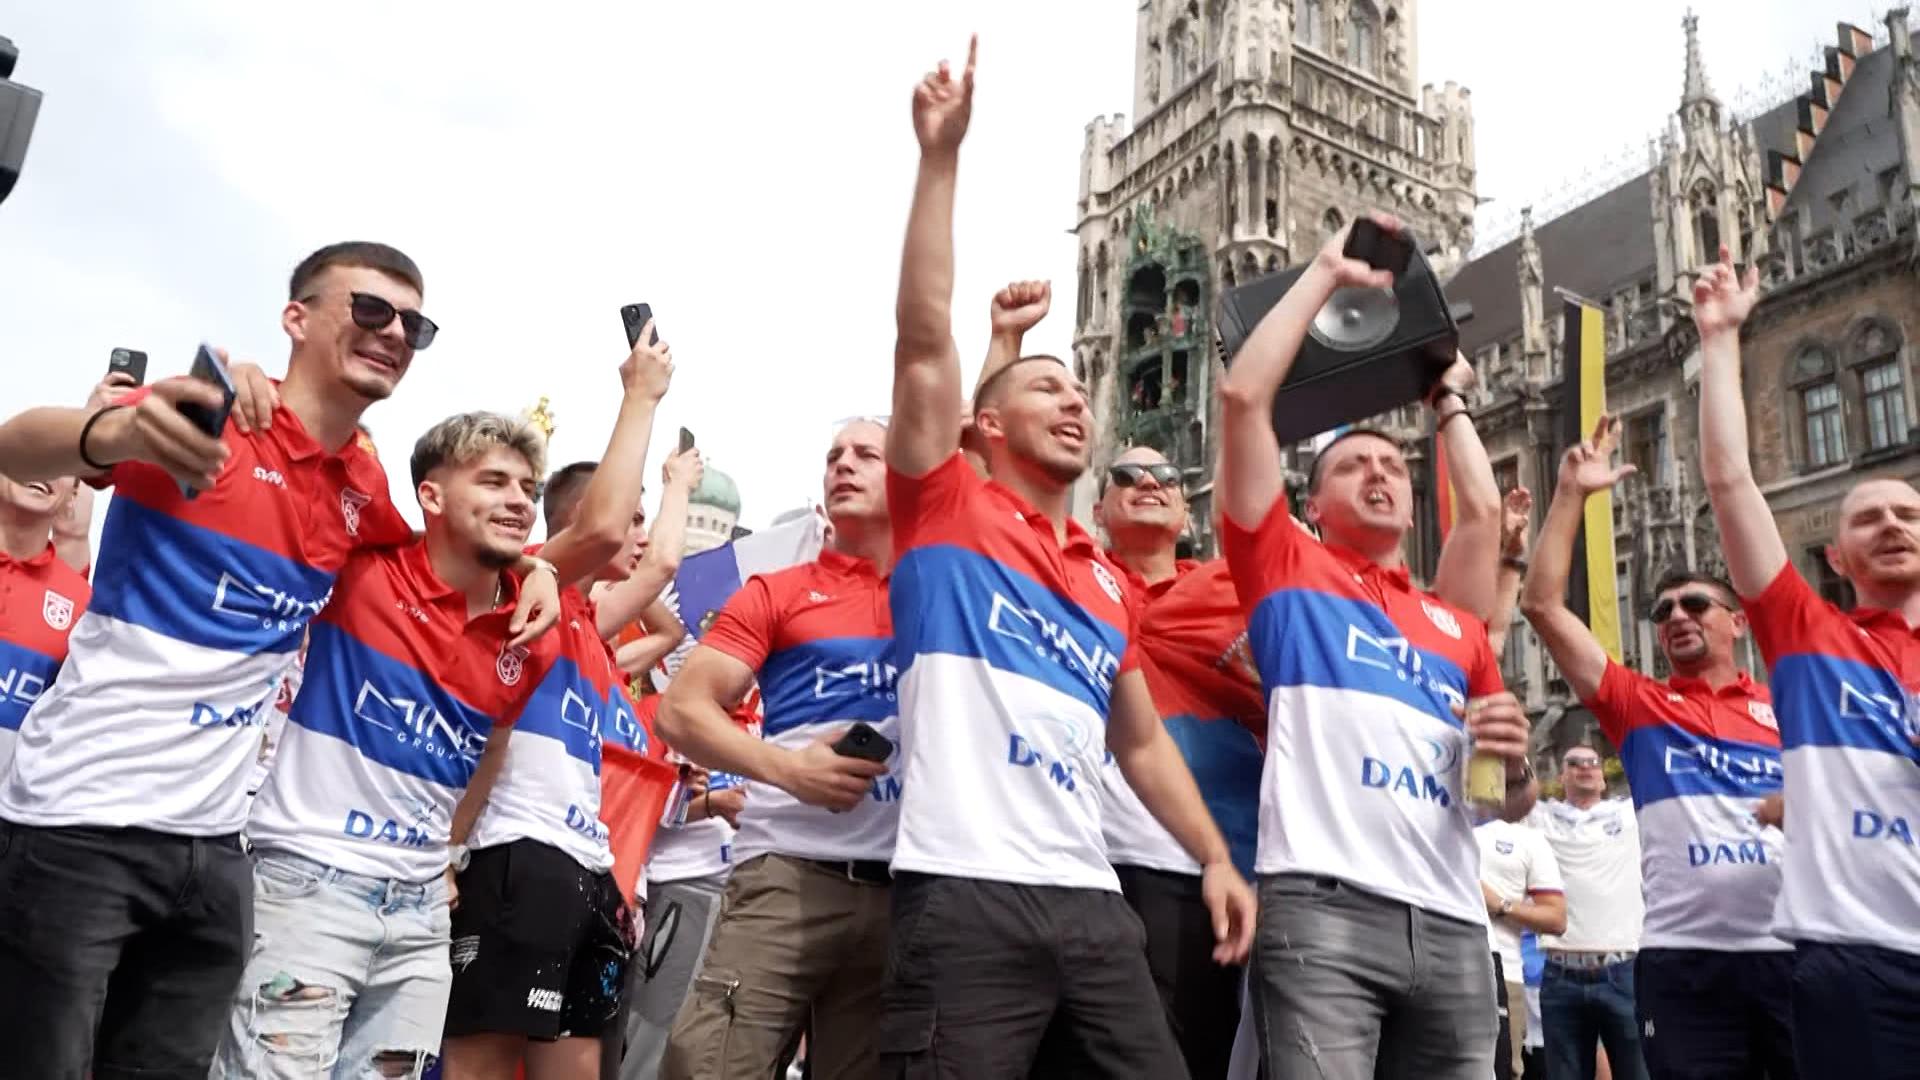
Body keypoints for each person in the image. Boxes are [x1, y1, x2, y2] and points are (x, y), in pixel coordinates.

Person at [0, 243, 550, 1080]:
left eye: (413, 323)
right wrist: (107, 429)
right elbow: (19, 448)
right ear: (297, 318)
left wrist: (530, 564)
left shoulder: (360, 478)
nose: (394, 332)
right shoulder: (208, 414)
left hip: (216, 857)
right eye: (370, 310)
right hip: (79, 828)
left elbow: (442, 553)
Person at [880, 37, 1254, 1077]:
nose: (1078, 400)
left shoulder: (1099, 575)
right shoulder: (944, 507)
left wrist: (1216, 857)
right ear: (986, 429)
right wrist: (941, 158)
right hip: (962, 890)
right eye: (1048, 390)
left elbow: (1140, 746)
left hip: (1093, 903)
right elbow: (921, 340)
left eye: (1079, 393)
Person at [1213, 209, 1537, 1080]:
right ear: (1312, 505)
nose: (1384, 473)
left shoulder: (1451, 626)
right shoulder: (1285, 567)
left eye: (1394, 464)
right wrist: (1322, 275)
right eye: (1355, 466)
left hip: (1452, 921)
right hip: (1323, 911)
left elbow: (1488, 799)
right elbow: (1244, 400)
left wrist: (1447, 400)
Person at [207, 410, 560, 1077]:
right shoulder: (361, 569)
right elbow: (311, 462)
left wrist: (451, 852)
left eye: (527, 488)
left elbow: (490, 750)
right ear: (430, 495)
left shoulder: (527, 628)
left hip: (422, 917)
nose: (518, 499)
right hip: (307, 887)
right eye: (493, 481)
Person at [1692, 244, 1920, 1076]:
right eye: (1871, 519)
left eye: (1907, 512)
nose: (1893, 524)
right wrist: (1719, 338)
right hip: (1856, 959)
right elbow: (1730, 483)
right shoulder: (1811, 637)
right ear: (1839, 553)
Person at [440, 325, 690, 1078]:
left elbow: (662, 572)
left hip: (592, 872)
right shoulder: (514, 587)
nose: (639, 536)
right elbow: (609, 527)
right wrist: (640, 396)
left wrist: (680, 484)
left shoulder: (579, 617)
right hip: (515, 856)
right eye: (634, 517)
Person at [1521, 414, 1790, 1080]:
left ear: (1737, 620)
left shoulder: (1790, 708)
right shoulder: (1638, 703)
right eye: (1662, 610)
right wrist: (1570, 495)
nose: (1674, 617)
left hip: (1793, 952)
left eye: (1694, 604)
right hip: (1680, 965)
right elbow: (1542, 606)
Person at [653, 419, 898, 1080]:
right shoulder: (778, 590)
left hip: (907, 888)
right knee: (707, 1067)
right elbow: (682, 709)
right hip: (785, 875)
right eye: (833, 456)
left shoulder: (940, 597)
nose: (843, 464)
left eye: (866, 455)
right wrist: (790, 771)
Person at [1090, 445, 1261, 1080]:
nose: (1147, 483)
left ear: (1188, 513)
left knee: (1201, 1056)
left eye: (1165, 476)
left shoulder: (1235, 587)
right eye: (1126, 477)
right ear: (1100, 509)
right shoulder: (1075, 582)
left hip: (1215, 866)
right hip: (1092, 862)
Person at [1521, 743, 1646, 1080]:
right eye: (1574, 763)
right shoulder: (1542, 818)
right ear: (1562, 776)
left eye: (1593, 762)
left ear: (1604, 778)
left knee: (1638, 1073)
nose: (1585, 768)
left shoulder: (1630, 815)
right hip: (1560, 973)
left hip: (1623, 971)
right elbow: (1514, 783)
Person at [0, 471, 90, 778]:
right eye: (31, 456)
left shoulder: (83, 604)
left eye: (61, 464)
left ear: (72, 497)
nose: (42, 468)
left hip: (14, 814)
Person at [1478, 813, 1567, 1080]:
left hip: (1505, 973)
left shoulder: (1527, 838)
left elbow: (1556, 918)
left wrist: (1500, 904)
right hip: (1425, 962)